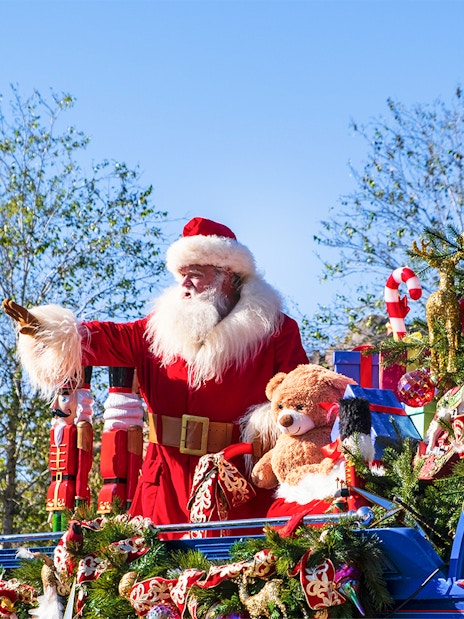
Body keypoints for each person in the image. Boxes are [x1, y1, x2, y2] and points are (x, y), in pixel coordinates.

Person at [3, 216, 308, 526]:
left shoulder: (276, 331)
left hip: (239, 486)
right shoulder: (155, 330)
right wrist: (49, 330)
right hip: (163, 486)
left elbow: (302, 400)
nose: (185, 284)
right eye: (182, 275)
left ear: (226, 275)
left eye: (195, 275)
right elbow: (103, 338)